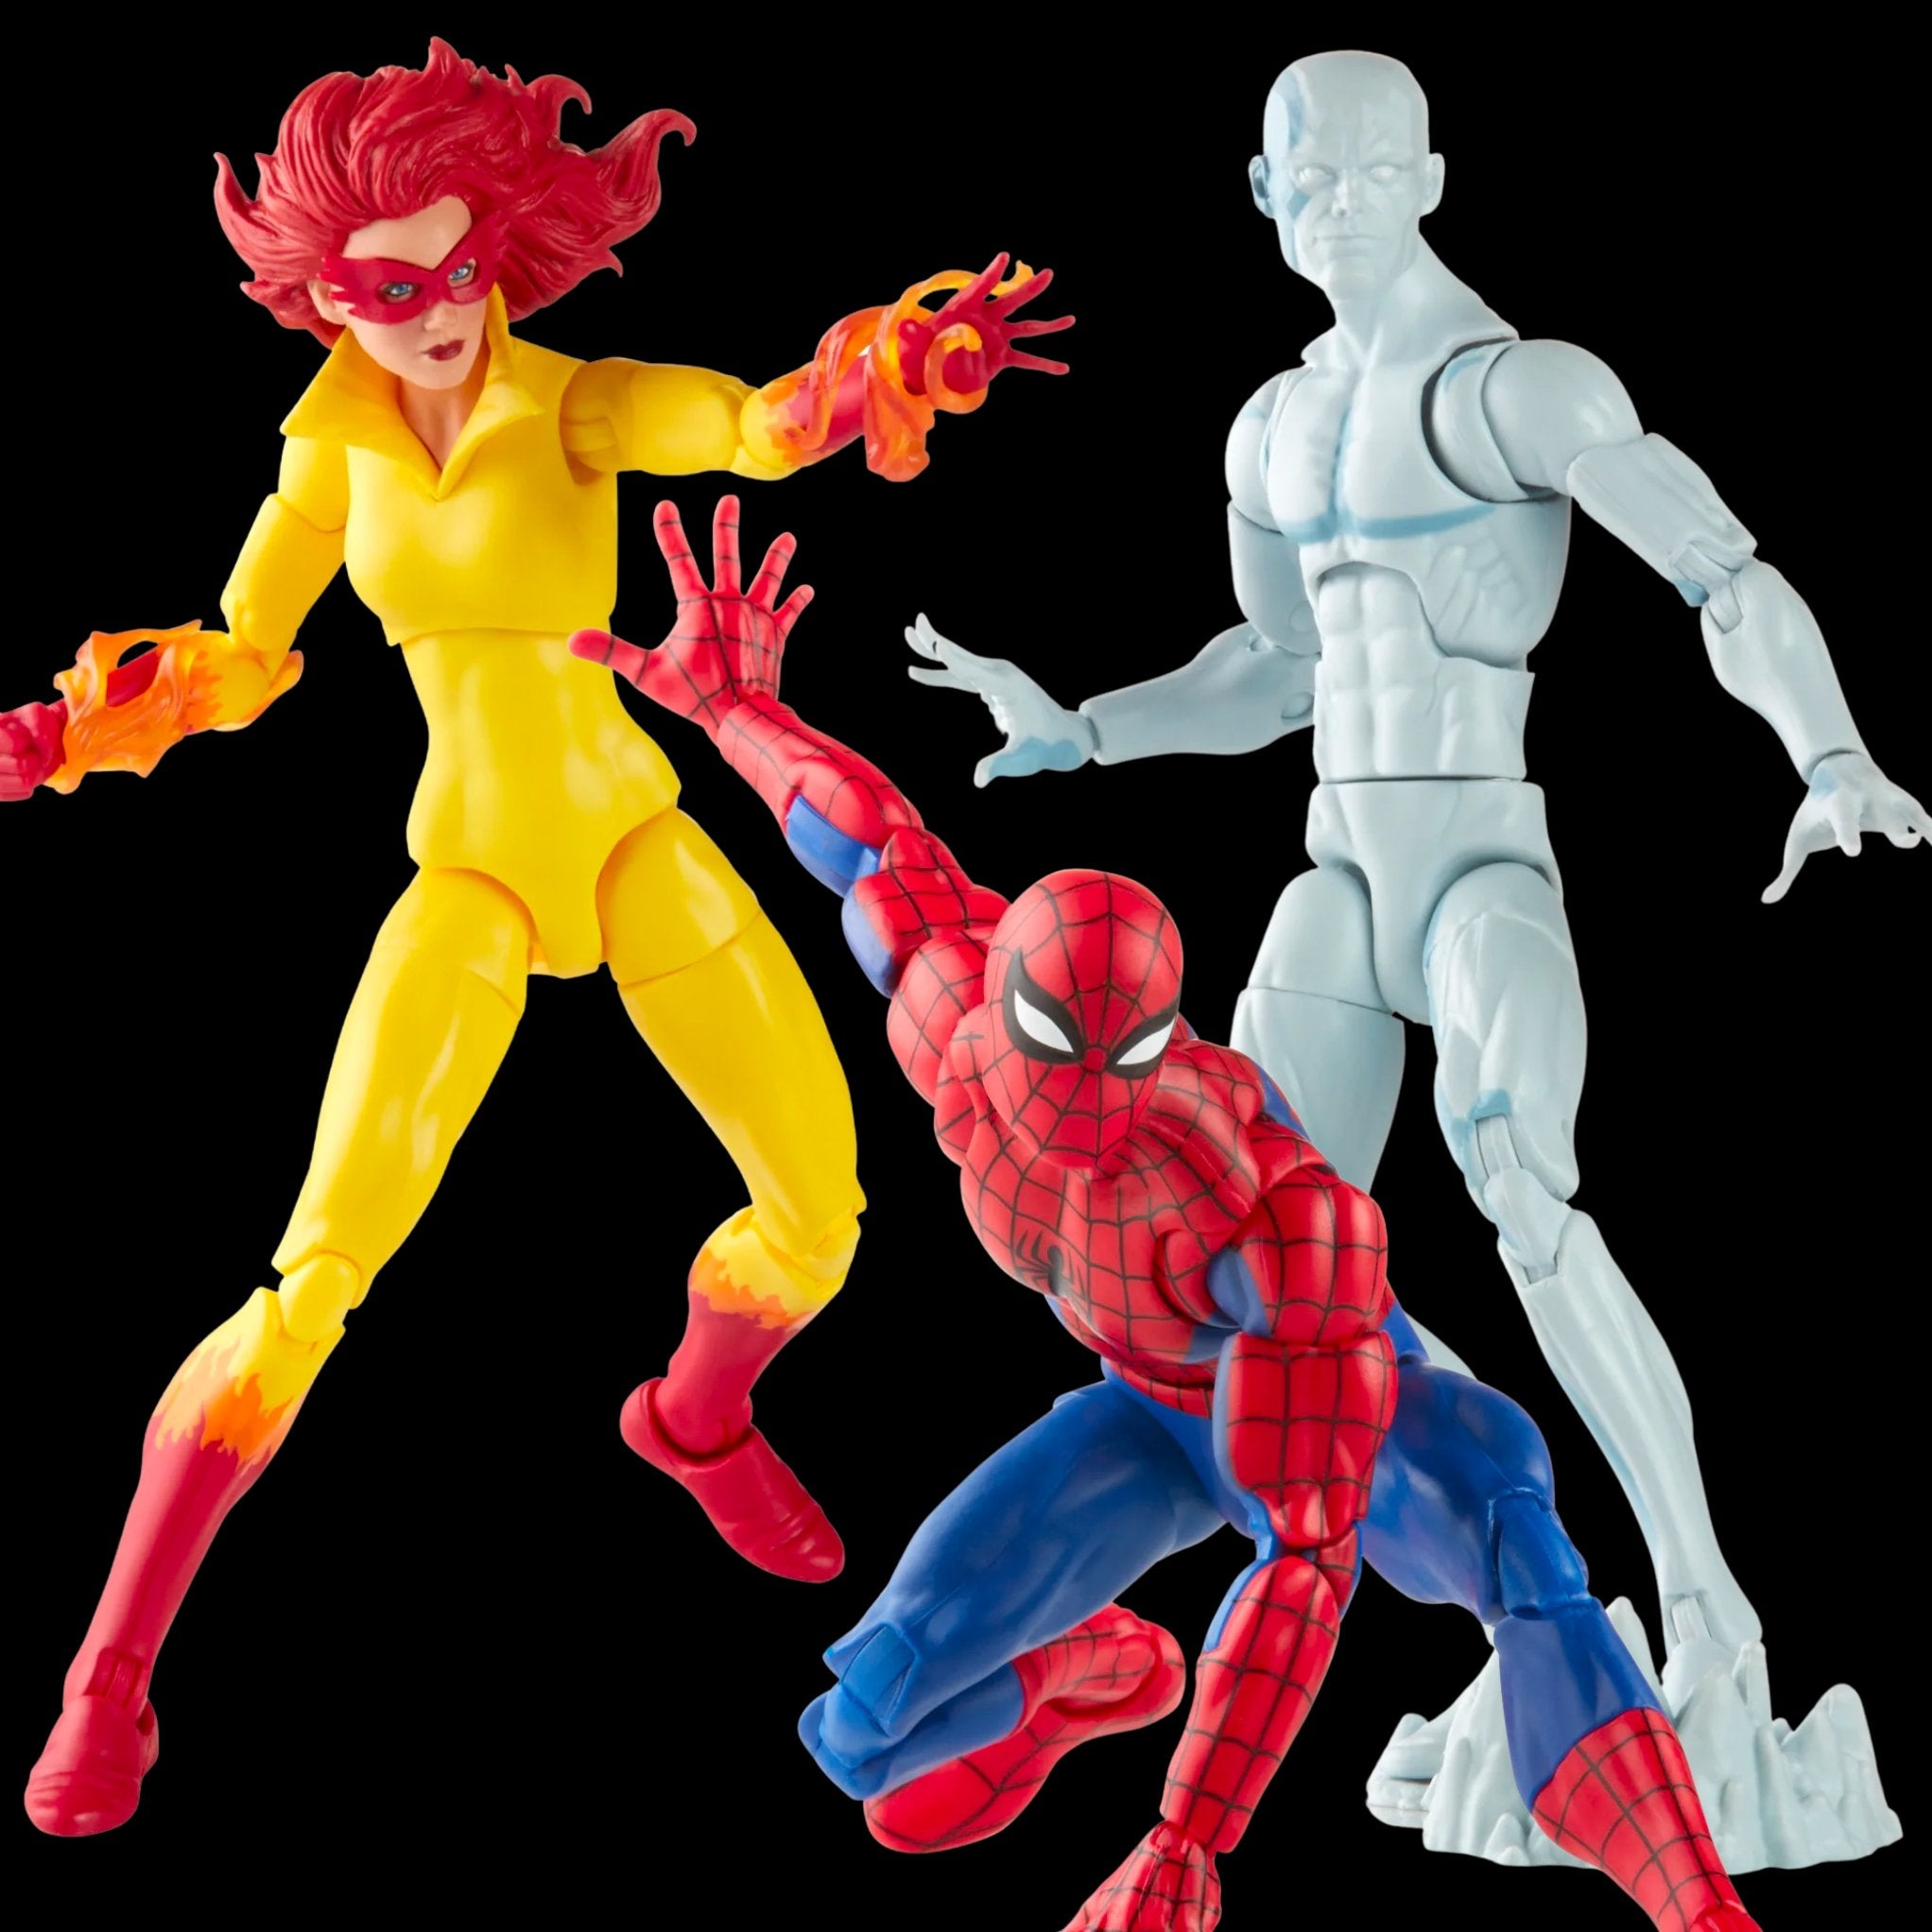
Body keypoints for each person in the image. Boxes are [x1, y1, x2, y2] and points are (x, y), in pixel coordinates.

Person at [6, 40, 1069, 1837]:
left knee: (824, 1217)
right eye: (381, 292)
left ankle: (696, 1421)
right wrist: (99, 719)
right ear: (321, 297)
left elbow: (749, 427)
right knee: (317, 1268)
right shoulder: (330, 448)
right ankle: (110, 1671)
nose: (431, 316)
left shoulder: (573, 405)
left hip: (634, 840)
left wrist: (871, 373)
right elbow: (247, 653)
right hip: (473, 875)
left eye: (455, 271)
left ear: (496, 247)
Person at [904, 46, 1915, 1861]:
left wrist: (1828, 754)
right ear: (1263, 193)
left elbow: (1722, 571)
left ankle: (1708, 1613)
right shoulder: (1273, 429)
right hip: (1335, 869)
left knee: (1525, 1189)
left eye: (1377, 169)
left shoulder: (1518, 387)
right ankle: (1534, 1618)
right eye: (1311, 173)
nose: (1343, 201)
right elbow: (1271, 669)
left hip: (1475, 863)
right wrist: (1087, 728)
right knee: (1275, 1250)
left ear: (1434, 177)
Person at [567, 494, 1761, 1931]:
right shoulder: (954, 1017)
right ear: (1004, 1003)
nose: (1085, 1099)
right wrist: (732, 707)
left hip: (1340, 1417)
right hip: (1144, 1418)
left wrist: (1187, 1844)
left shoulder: (1266, 1203)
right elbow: (868, 843)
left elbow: (1306, 1561)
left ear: (1165, 1035)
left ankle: (1700, 1907)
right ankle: (1097, 1675)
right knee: (861, 1735)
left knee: (1521, 1538)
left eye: (1123, 1055)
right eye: (1052, 1046)